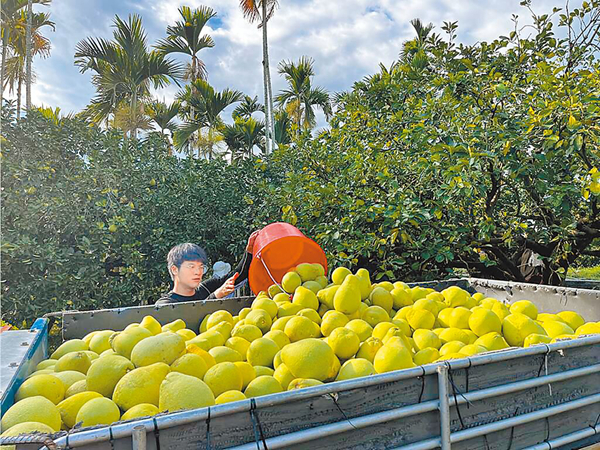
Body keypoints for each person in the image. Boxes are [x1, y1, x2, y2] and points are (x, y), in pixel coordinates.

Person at [156, 231, 258, 305]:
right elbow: (189, 318)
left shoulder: (205, 289)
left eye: (201, 267)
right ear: (175, 269)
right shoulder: (165, 304)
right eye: (191, 267)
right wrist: (215, 296)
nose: (198, 272)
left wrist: (249, 252)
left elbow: (238, 275)